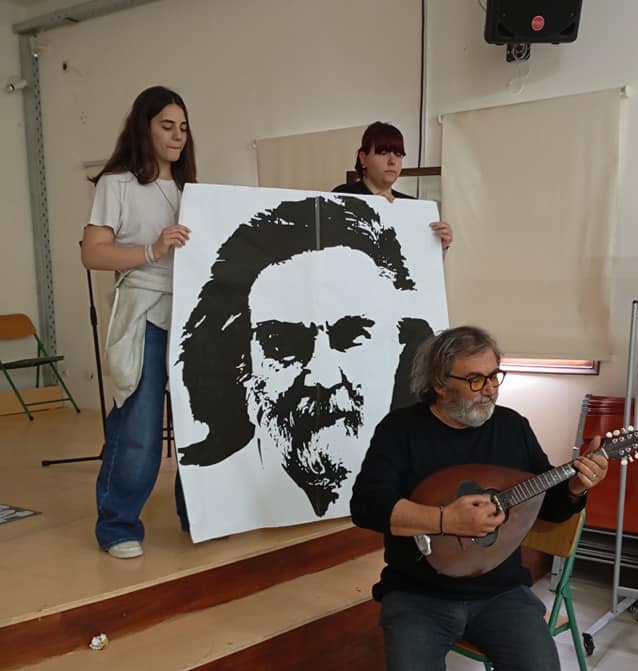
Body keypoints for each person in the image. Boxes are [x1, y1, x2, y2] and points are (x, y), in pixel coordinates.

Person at [350, 325, 609, 671]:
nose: (489, 389)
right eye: (475, 380)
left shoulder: (512, 427)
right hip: (418, 588)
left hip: (499, 588)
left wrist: (577, 484)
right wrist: (444, 520)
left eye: (494, 376)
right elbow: (367, 506)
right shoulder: (401, 431)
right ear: (438, 382)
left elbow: (548, 506)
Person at [178, 194, 434, 519]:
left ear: (400, 349)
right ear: (243, 364)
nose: (322, 378)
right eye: (282, 343)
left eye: (352, 336)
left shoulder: (424, 486)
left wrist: (431, 244)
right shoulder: (212, 500)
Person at [80, 85, 196, 558]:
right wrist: (151, 250)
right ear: (143, 128)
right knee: (140, 427)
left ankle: (198, 514)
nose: (177, 135)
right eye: (167, 126)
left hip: (191, 317)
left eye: (183, 127)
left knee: (197, 424)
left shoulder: (191, 190)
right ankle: (118, 524)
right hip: (145, 312)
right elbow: (93, 253)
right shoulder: (117, 184)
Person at [332, 121, 453, 252]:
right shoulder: (342, 196)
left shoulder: (411, 205)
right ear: (363, 158)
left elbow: (417, 260)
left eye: (398, 154)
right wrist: (370, 206)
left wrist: (440, 247)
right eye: (383, 152)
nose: (392, 161)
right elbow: (331, 251)